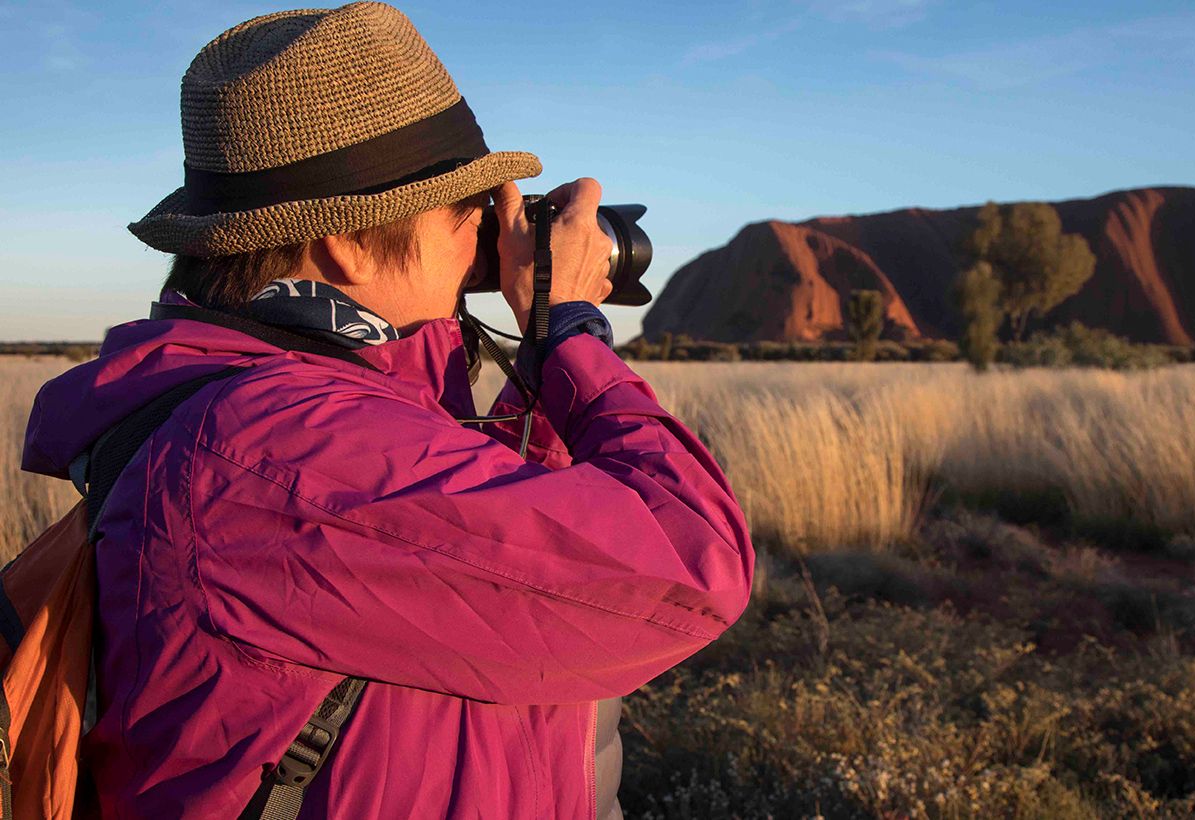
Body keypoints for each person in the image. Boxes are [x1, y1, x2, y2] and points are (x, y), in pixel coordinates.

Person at [20, 3, 755, 818]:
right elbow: (692, 571)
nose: (491, 229)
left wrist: (537, 362)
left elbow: (520, 545)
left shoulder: (308, 413)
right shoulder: (277, 451)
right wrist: (568, 327)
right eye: (463, 208)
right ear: (347, 245)